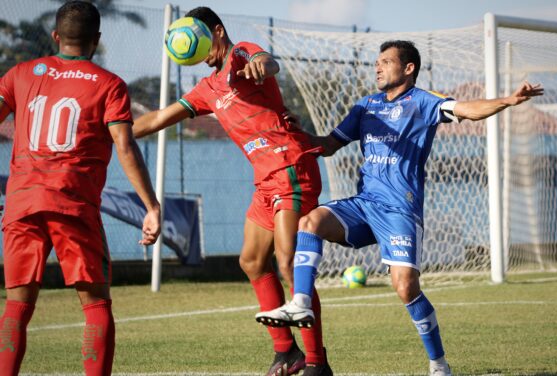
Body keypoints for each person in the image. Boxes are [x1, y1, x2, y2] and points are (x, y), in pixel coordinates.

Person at [256, 40, 543, 376]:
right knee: (311, 221)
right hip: (365, 205)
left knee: (406, 286)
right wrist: (297, 135)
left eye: (386, 61)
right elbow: (330, 145)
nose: (377, 67)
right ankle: (301, 303)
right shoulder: (366, 106)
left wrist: (509, 100)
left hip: (399, 210)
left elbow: (467, 108)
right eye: (376, 62)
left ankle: (438, 364)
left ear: (408, 69)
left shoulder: (424, 102)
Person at [131, 7, 330, 376]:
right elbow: (158, 118)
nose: (200, 52)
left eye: (203, 41)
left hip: (290, 168)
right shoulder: (206, 88)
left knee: (288, 263)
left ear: (217, 32)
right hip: (265, 180)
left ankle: (318, 362)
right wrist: (113, 128)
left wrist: (261, 64)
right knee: (252, 261)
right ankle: (286, 353)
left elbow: (267, 61)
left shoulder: (240, 55)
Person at [0, 2, 161, 375]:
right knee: (96, 306)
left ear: (56, 36)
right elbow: (125, 144)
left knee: (16, 306)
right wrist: (150, 205)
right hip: (73, 204)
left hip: (23, 202)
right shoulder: (109, 85)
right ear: (98, 40)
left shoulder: (21, 74)